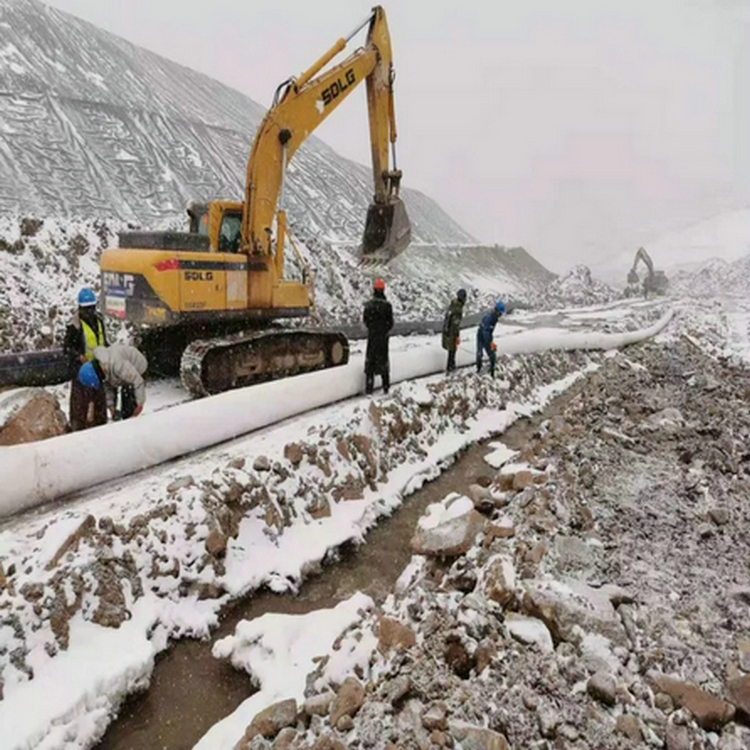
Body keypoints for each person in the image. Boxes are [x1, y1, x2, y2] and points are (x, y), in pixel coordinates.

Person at [63, 287, 108, 431]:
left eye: (91, 308)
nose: (89, 312)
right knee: (79, 407)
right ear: (80, 308)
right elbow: (67, 348)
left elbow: (103, 341)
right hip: (80, 372)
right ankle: (77, 431)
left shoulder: (99, 321)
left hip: (97, 369)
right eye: (86, 309)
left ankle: (101, 428)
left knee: (100, 404)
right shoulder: (74, 326)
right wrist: (78, 356)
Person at [78, 344, 148, 420]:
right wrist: (111, 408)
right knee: (114, 386)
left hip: (138, 365)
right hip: (119, 372)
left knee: (128, 391)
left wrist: (139, 404)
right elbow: (107, 388)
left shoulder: (117, 365)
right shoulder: (102, 369)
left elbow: (137, 381)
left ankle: (131, 419)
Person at [363, 278, 394, 395]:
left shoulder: (369, 305)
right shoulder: (387, 306)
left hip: (372, 338)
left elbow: (365, 320)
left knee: (370, 363)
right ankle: (385, 387)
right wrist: (383, 331)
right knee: (384, 363)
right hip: (382, 339)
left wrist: (373, 329)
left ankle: (369, 388)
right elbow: (390, 323)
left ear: (374, 290)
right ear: (383, 290)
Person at [476, 300, 506, 377]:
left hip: (484, 334)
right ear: (497, 311)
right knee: (487, 354)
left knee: (481, 353)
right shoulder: (490, 318)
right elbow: (486, 333)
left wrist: (490, 341)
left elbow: (488, 332)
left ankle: (483, 369)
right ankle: (484, 371)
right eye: (500, 313)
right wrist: (490, 343)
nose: (500, 315)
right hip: (481, 335)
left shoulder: (493, 317)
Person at [442, 288, 467, 372]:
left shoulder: (453, 304)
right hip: (452, 332)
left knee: (451, 350)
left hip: (448, 331)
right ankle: (451, 367)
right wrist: (457, 335)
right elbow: (455, 324)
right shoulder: (458, 309)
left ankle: (450, 366)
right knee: (452, 350)